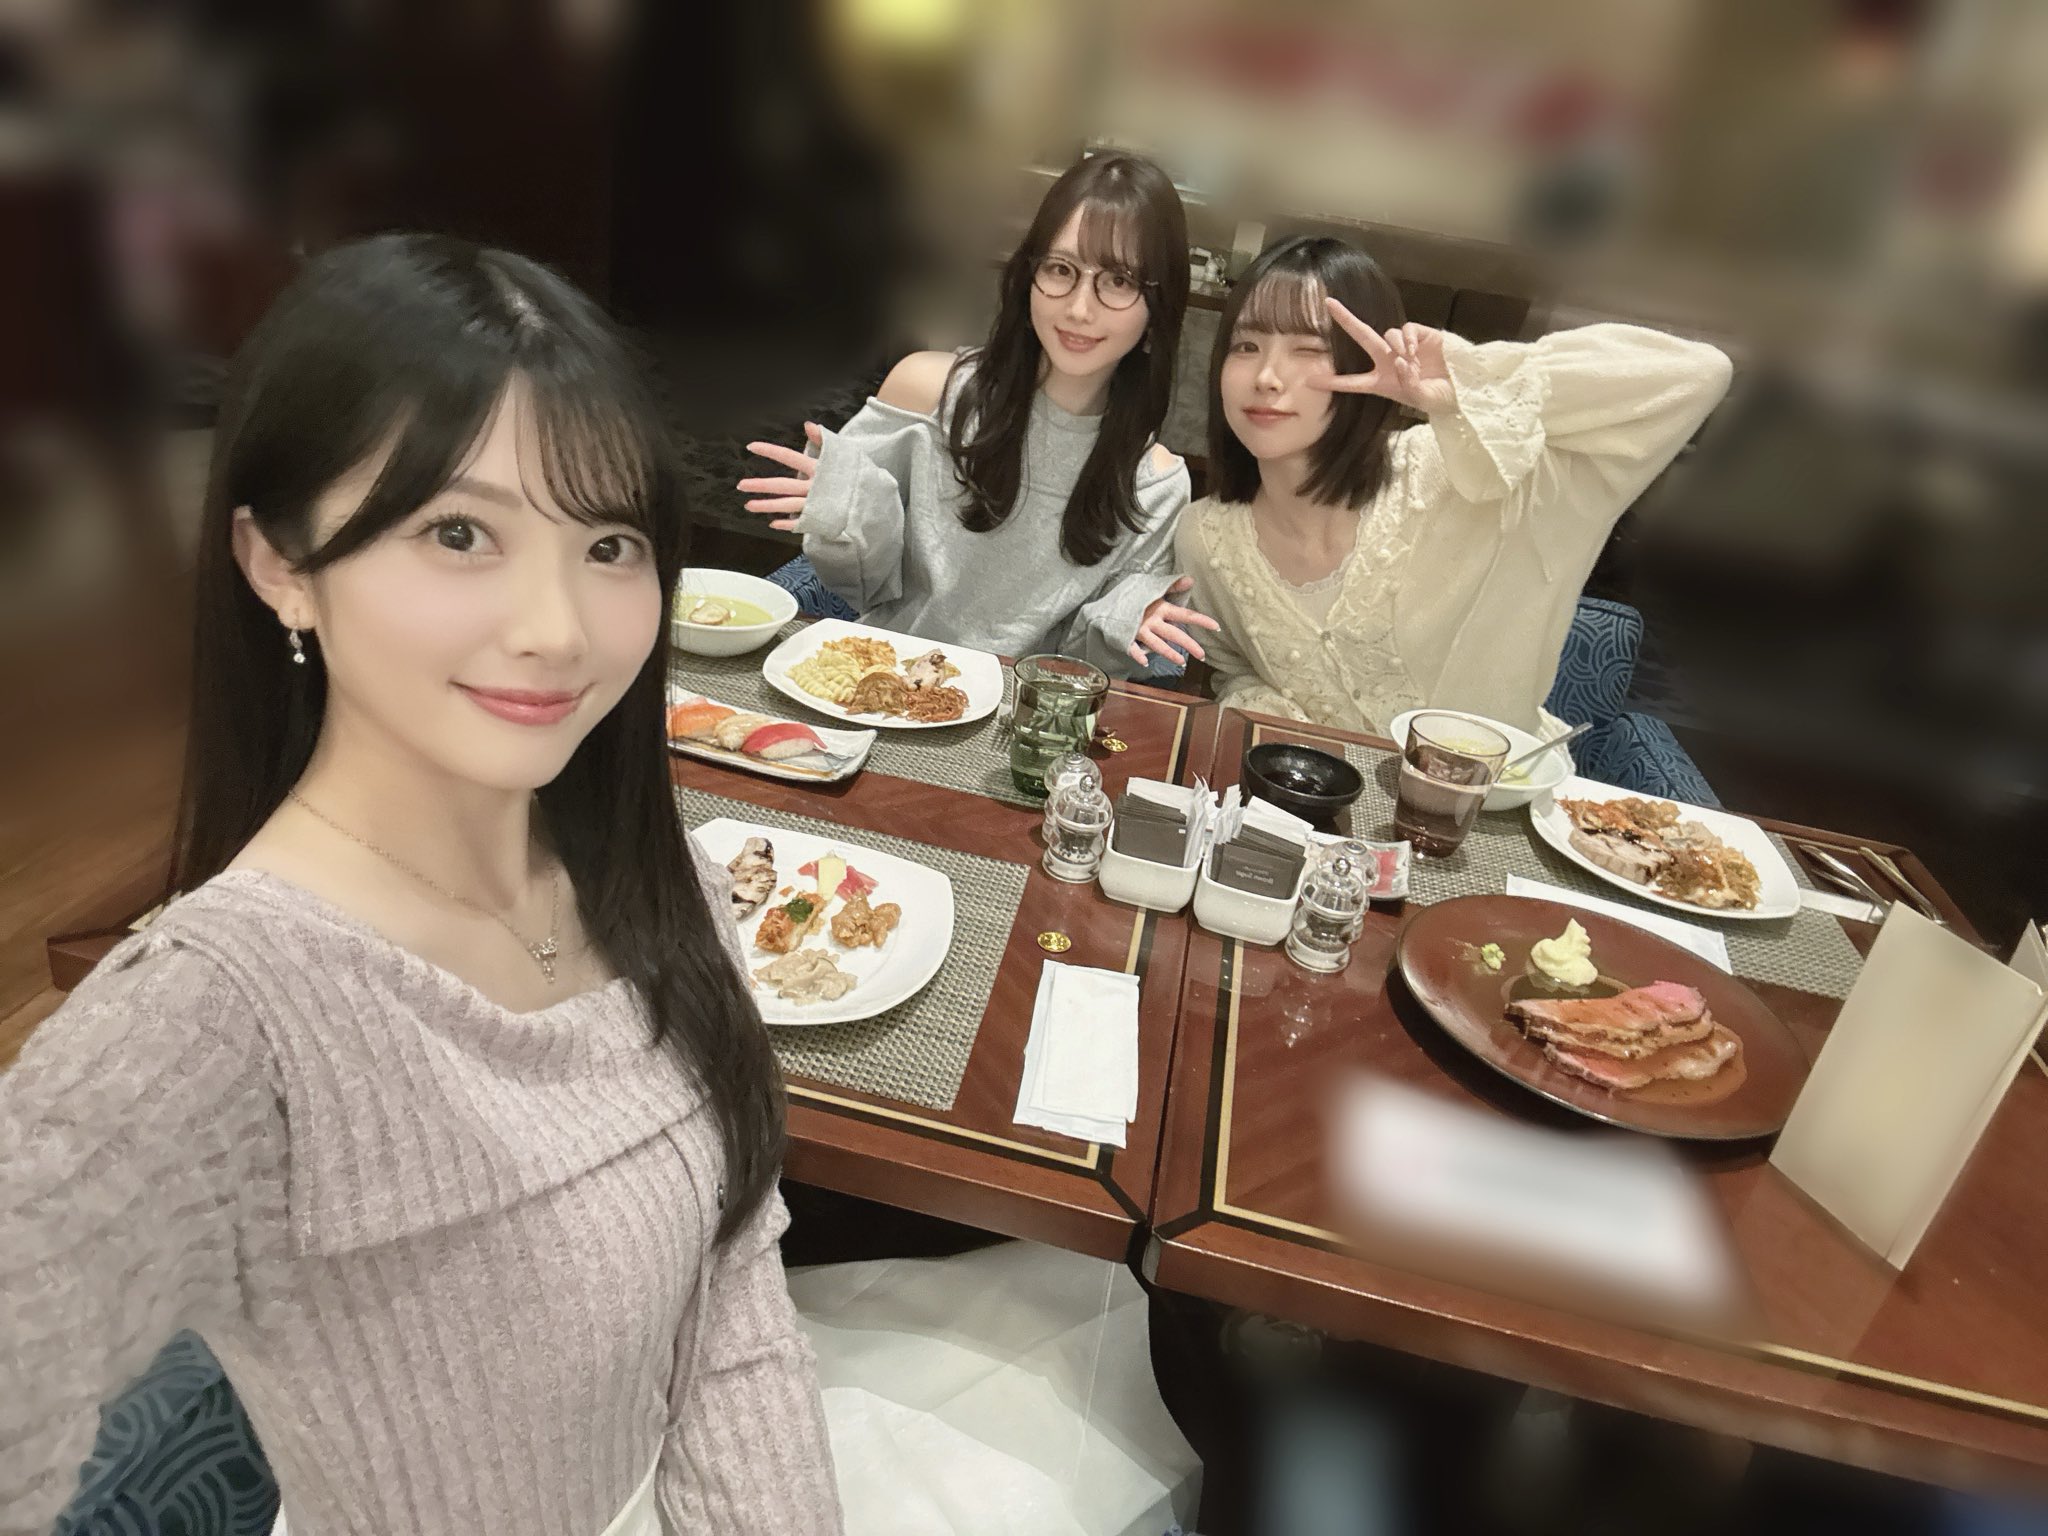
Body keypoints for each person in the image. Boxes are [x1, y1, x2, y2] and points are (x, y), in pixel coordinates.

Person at [0, 234, 839, 1535]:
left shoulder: (658, 878)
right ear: (281, 565)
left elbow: (733, 1280)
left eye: (609, 543)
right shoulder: (216, 1024)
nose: (558, 629)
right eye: (459, 532)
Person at [1175, 235, 1734, 734]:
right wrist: (1270, 712)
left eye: (1310, 349)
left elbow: (1697, 376)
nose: (1267, 377)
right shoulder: (1207, 536)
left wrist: (1473, 375)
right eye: (1246, 346)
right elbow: (1233, 668)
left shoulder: (1471, 472)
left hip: (1487, 811)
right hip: (1302, 808)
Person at [740, 151, 1220, 676]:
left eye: (1119, 281)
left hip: (1022, 713)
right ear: (1028, 276)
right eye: (1061, 269)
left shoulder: (1155, 484)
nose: (1080, 308)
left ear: (1157, 311)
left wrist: (1124, 620)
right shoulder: (927, 390)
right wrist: (848, 512)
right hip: (882, 678)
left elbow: (1079, 671)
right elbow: (864, 587)